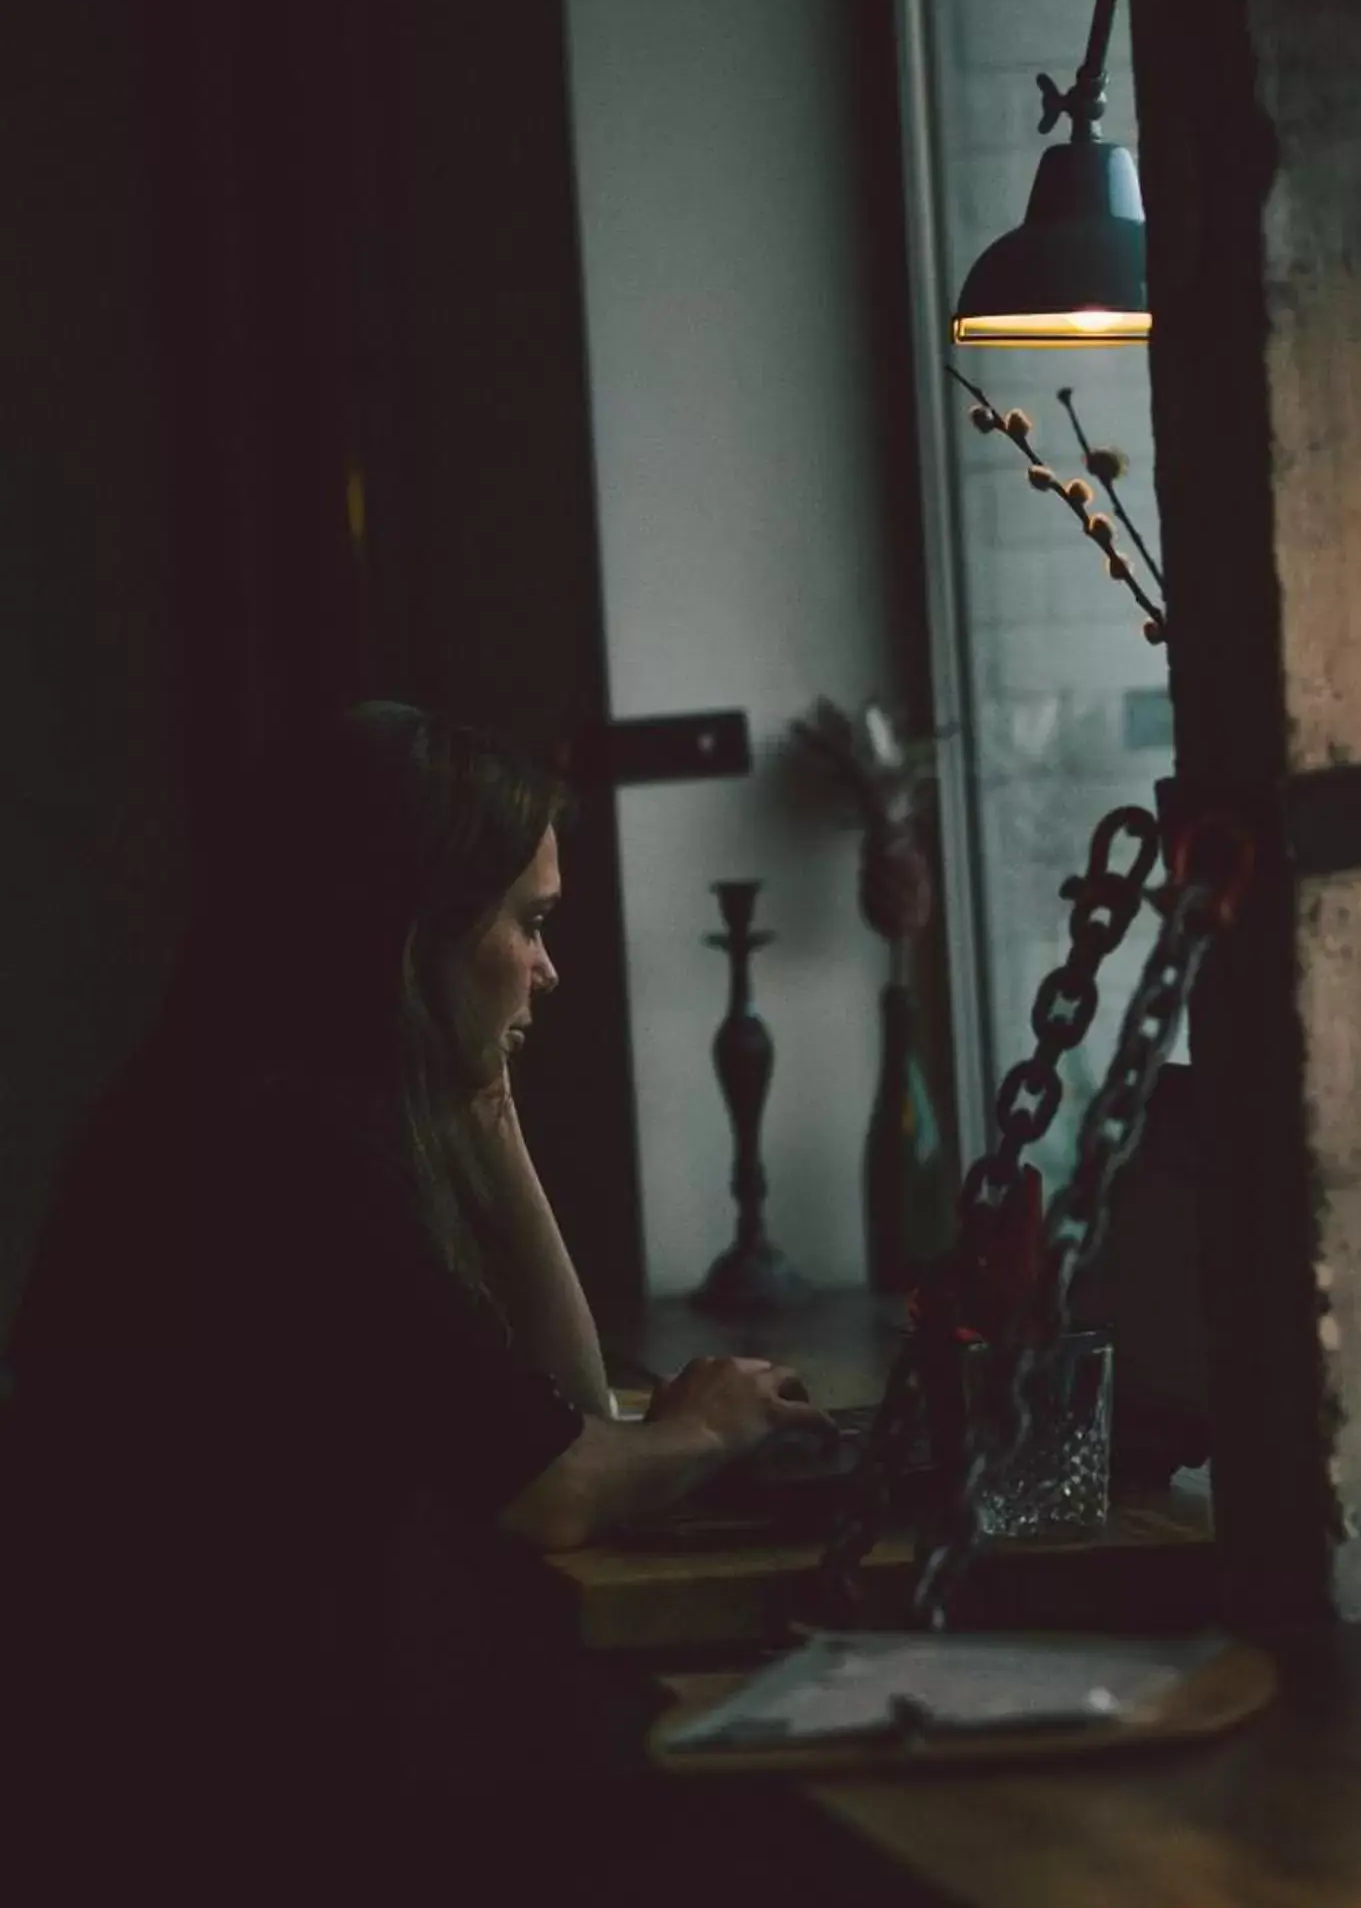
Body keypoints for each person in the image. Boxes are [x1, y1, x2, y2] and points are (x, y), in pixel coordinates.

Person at [0, 703, 829, 1874]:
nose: (552, 965)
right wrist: (711, 1422)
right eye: (530, 923)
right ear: (412, 929)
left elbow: (566, 1413)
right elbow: (557, 1483)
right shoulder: (286, 1156)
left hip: (174, 1773)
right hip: (188, 1812)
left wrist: (488, 1110)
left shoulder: (238, 1103)